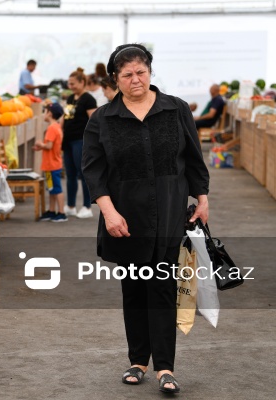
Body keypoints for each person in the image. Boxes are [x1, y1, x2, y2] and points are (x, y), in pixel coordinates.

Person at [82, 44, 210, 394]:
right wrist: (109, 212)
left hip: (170, 213)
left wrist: (202, 199)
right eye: (127, 75)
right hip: (124, 217)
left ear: (149, 73)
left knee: (163, 289)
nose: (135, 79)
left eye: (141, 72)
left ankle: (165, 368)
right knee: (135, 289)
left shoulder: (176, 109)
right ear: (116, 79)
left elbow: (195, 159)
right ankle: (138, 360)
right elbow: (93, 172)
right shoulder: (102, 119)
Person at [62, 68, 97, 219]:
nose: (71, 86)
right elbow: (65, 117)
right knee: (70, 174)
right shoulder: (70, 98)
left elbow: (94, 120)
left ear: (82, 82)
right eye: (69, 84)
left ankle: (87, 206)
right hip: (68, 140)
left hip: (81, 141)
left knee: (83, 174)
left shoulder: (89, 99)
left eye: (73, 83)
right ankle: (70, 206)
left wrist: (93, 141)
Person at [34, 103, 66, 222]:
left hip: (52, 165)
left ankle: (61, 213)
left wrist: (40, 144)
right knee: (52, 189)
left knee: (56, 190)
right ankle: (52, 211)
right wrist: (41, 147)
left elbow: (49, 145)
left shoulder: (51, 128)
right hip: (51, 165)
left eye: (45, 111)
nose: (43, 114)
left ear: (50, 113)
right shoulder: (56, 127)